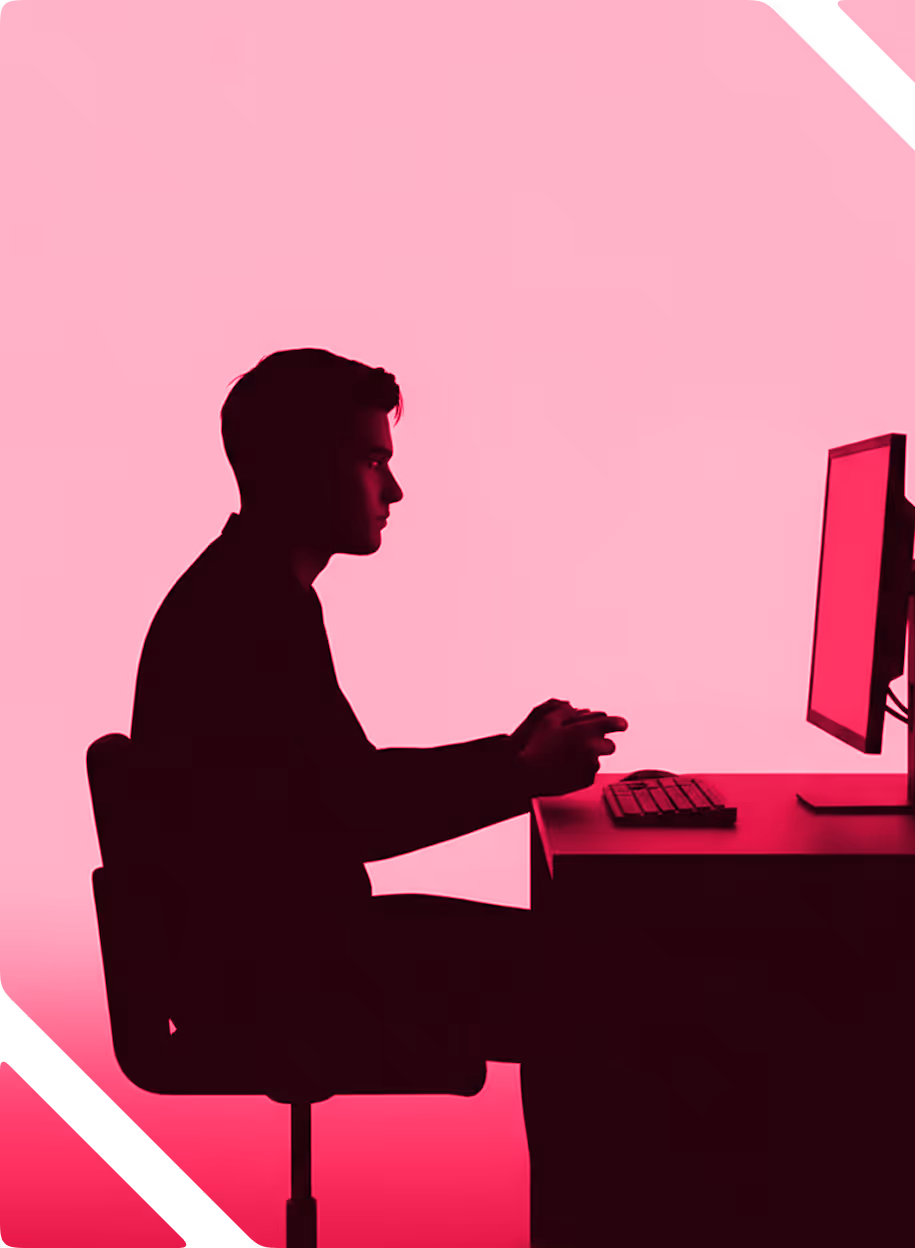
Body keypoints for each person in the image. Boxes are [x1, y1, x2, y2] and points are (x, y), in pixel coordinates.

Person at [129, 346, 628, 1242]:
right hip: (280, 972)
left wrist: (514, 754)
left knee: (580, 966)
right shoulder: (252, 615)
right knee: (599, 983)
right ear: (295, 467)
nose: (391, 492)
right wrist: (519, 773)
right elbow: (354, 814)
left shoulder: (244, 592)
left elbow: (332, 787)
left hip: (270, 948)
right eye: (371, 460)